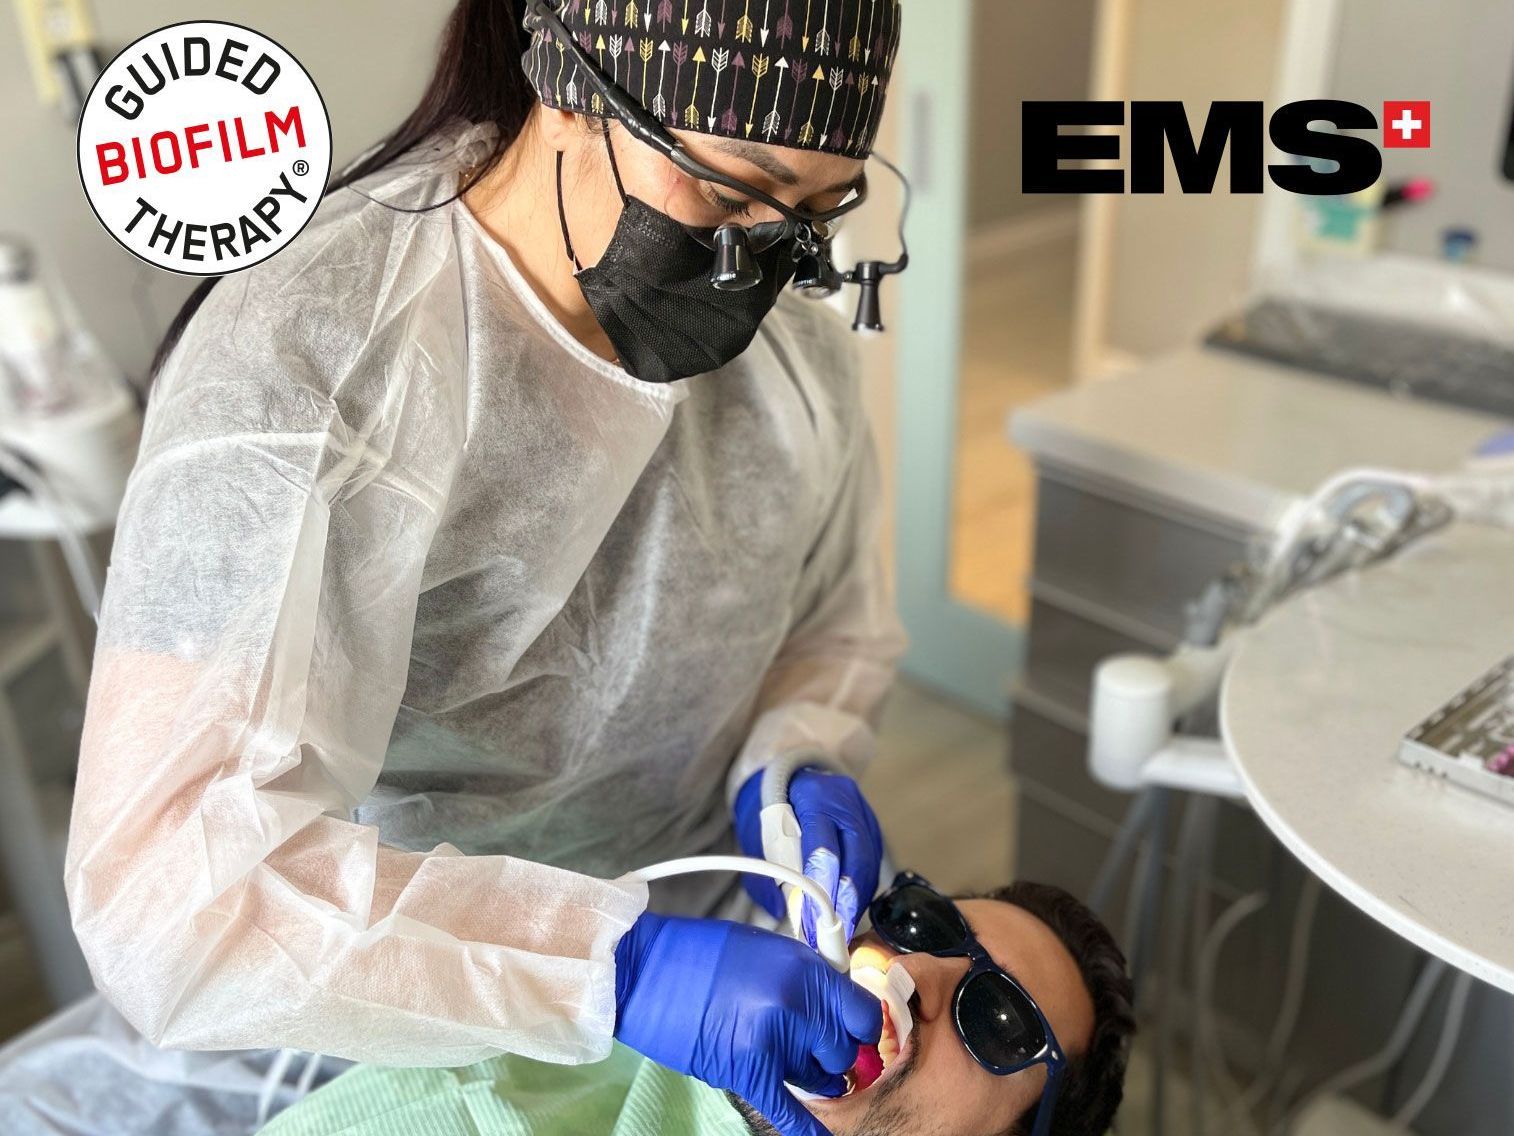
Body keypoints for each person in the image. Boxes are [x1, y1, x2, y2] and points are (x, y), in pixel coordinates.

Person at [53, 1, 907, 1135]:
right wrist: (612, 967)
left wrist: (790, 757)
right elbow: (173, 892)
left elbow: (829, 626)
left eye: (813, 212)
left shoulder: (790, 363)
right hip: (380, 992)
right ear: (570, 87)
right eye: (730, 193)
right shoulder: (313, 364)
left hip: (701, 938)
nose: (759, 259)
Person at [257, 879, 1136, 1136]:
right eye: (925, 922)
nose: (918, 970)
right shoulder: (563, 1057)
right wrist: (614, 970)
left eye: (1001, 1019)